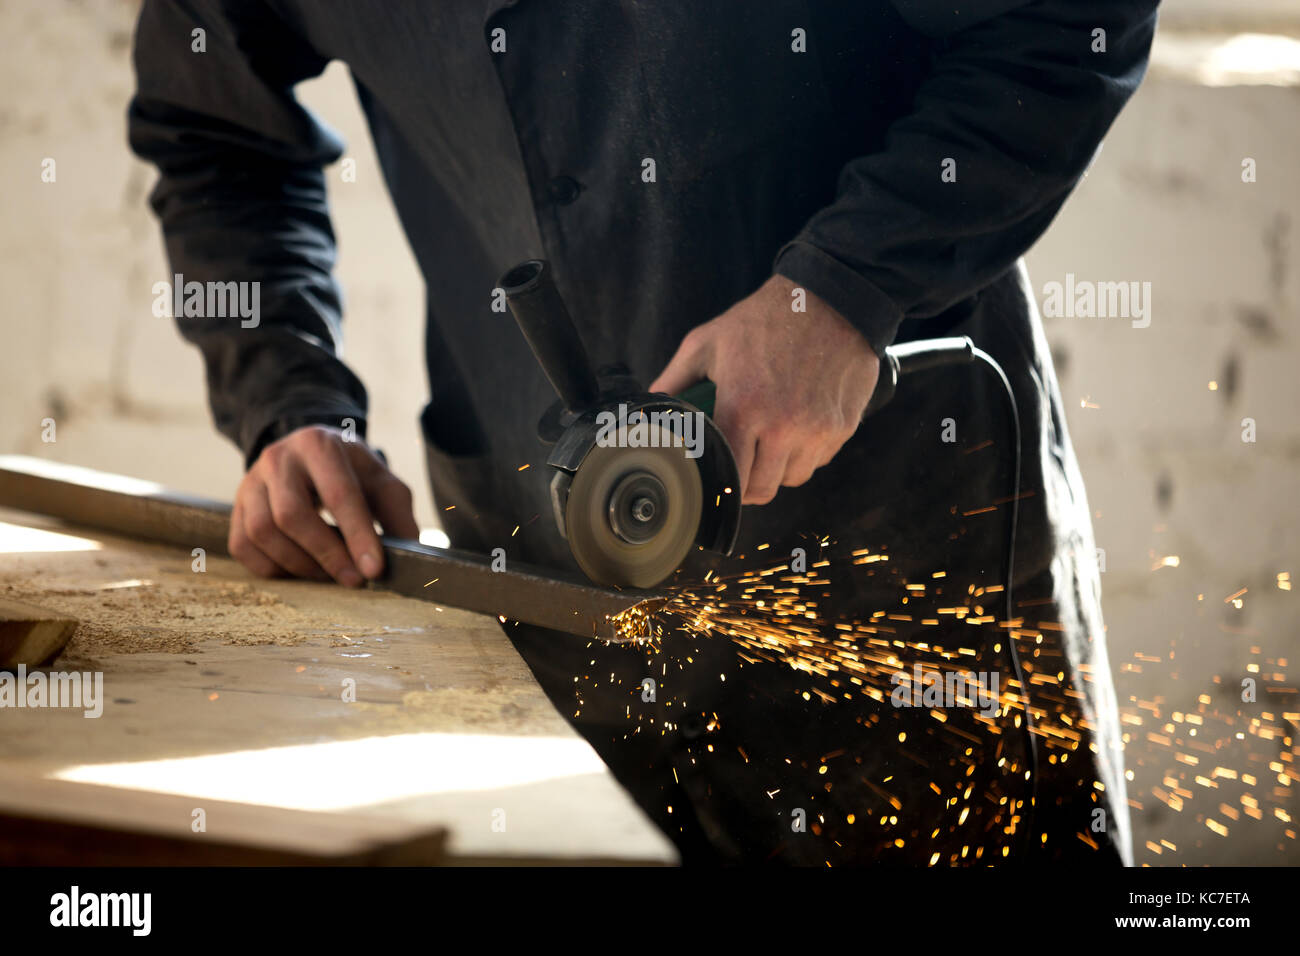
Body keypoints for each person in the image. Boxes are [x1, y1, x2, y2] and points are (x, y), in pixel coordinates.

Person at [130, 0, 1158, 864]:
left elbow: (1067, 21)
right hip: (548, 589)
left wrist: (849, 287)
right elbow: (210, 126)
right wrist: (289, 398)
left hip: (896, 553)